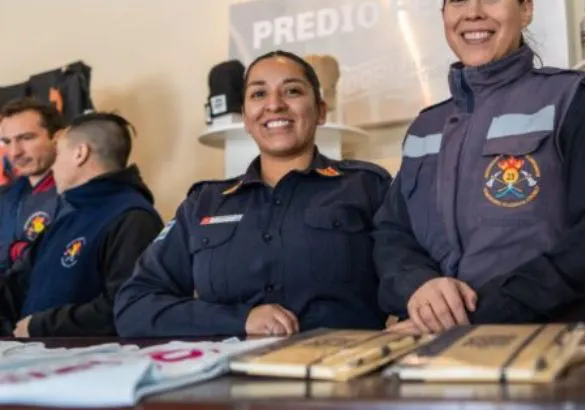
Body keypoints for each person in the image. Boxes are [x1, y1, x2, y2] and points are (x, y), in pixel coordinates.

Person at [373, 0, 585, 334]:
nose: (473, 13)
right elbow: (392, 233)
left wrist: (483, 312)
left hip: (553, 343)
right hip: (437, 352)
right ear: (444, 16)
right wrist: (419, 287)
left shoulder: (576, 100)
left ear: (526, 9)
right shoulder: (425, 128)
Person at [114, 51, 390, 338]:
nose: (274, 105)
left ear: (320, 110)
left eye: (292, 91)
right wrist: (239, 320)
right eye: (259, 94)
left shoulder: (367, 186)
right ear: (246, 118)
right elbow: (134, 306)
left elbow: (412, 273)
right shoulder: (204, 203)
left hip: (341, 375)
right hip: (226, 378)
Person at [2, 112, 163, 337]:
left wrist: (39, 326)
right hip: (38, 363)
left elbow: (127, 307)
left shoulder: (133, 219)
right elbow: (15, 287)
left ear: (80, 153)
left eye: (58, 154)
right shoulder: (67, 218)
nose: (53, 168)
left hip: (94, 367)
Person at [0, 98, 64, 272]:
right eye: (7, 142)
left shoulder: (78, 196)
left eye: (26, 138)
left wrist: (15, 251)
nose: (14, 152)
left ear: (58, 138)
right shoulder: (5, 197)